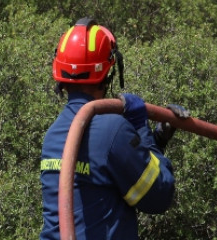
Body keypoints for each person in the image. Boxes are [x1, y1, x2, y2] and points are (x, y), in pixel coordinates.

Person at [39, 18, 185, 240]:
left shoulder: (52, 135)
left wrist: (157, 140)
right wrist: (141, 129)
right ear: (108, 73)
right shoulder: (113, 130)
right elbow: (159, 195)